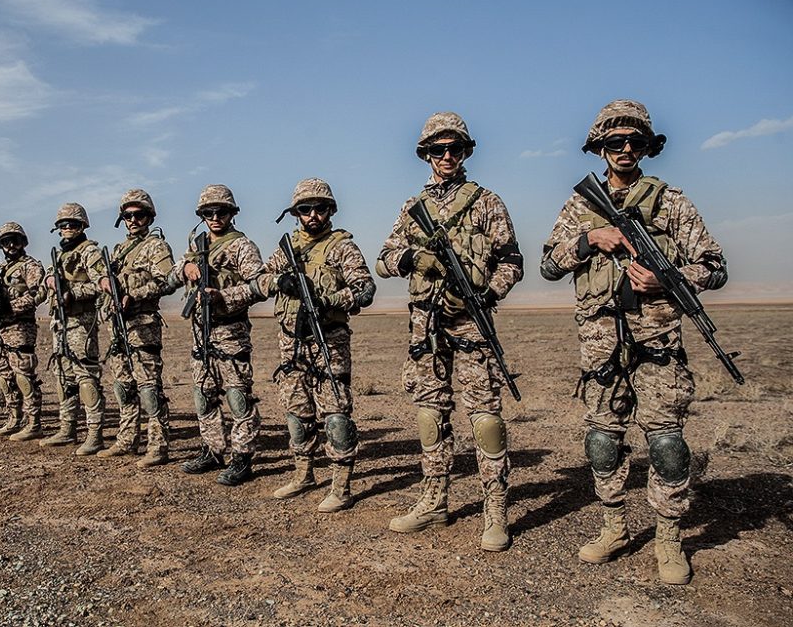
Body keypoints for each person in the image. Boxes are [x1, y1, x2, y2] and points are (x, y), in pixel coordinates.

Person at [540, 99, 729, 585]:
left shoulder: (671, 202)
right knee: (602, 441)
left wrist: (667, 279)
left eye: (635, 142)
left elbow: (714, 267)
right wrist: (589, 240)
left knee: (666, 443)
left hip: (658, 342)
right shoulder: (581, 206)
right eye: (615, 142)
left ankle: (669, 539)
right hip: (600, 347)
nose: (625, 149)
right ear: (599, 147)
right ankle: (614, 527)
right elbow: (548, 265)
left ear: (648, 147)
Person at [376, 112, 523, 551]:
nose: (446, 156)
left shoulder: (487, 202)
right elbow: (384, 259)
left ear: (465, 152)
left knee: (485, 417)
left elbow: (512, 261)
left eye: (454, 148)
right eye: (438, 149)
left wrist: (486, 295)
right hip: (425, 324)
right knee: (429, 412)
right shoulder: (411, 207)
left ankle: (495, 508)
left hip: (471, 322)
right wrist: (410, 260)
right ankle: (435, 499)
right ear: (426, 154)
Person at [252, 178, 375, 511]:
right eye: (305, 209)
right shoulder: (287, 248)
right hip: (291, 342)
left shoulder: (342, 246)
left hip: (329, 341)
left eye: (319, 208)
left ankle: (341, 487)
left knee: (336, 416)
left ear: (330, 210)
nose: (313, 215)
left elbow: (365, 288)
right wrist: (281, 280)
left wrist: (328, 302)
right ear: (296, 213)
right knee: (296, 413)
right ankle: (303, 475)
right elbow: (258, 282)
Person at [170, 184, 265, 486]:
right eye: (208, 212)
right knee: (204, 396)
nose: (215, 217)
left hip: (231, 333)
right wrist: (184, 267)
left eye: (221, 211)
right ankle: (212, 450)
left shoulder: (242, 246)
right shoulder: (196, 245)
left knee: (238, 397)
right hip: (201, 334)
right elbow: (172, 275)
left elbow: (260, 286)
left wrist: (222, 296)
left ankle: (242, 458)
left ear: (232, 213)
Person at [97, 190, 175, 467]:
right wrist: (105, 282)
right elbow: (106, 282)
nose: (132, 220)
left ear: (149, 216)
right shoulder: (118, 251)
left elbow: (167, 282)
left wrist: (137, 294)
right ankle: (126, 440)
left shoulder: (157, 247)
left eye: (138, 215)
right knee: (124, 386)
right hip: (118, 327)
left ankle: (158, 446)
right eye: (127, 216)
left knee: (148, 388)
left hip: (143, 327)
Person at [43, 203, 106, 456]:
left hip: (82, 323)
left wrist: (73, 293)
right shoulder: (59, 255)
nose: (67, 228)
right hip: (60, 324)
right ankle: (67, 428)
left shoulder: (90, 251)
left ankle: (94, 434)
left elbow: (101, 284)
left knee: (86, 378)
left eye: (72, 224)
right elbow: (48, 280)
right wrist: (48, 280)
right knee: (63, 378)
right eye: (63, 225)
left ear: (82, 226)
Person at [0, 222, 48, 441]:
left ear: (23, 242)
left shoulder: (31, 266)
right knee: (5, 376)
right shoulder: (1, 268)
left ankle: (34, 423)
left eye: (15, 240)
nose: (11, 245)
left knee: (24, 376)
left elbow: (38, 294)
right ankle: (13, 418)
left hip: (21, 326)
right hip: (1, 328)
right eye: (6, 241)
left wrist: (12, 306)